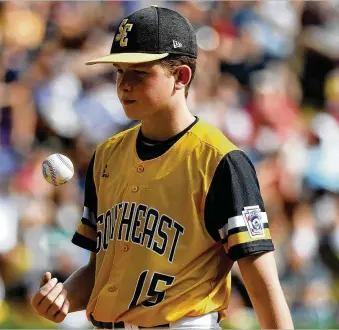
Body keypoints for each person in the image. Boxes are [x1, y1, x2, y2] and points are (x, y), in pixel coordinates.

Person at [31, 6, 294, 329]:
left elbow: (262, 283)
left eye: (139, 73)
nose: (124, 84)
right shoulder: (107, 156)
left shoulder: (219, 160)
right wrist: (64, 297)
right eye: (118, 70)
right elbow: (101, 269)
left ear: (181, 77)